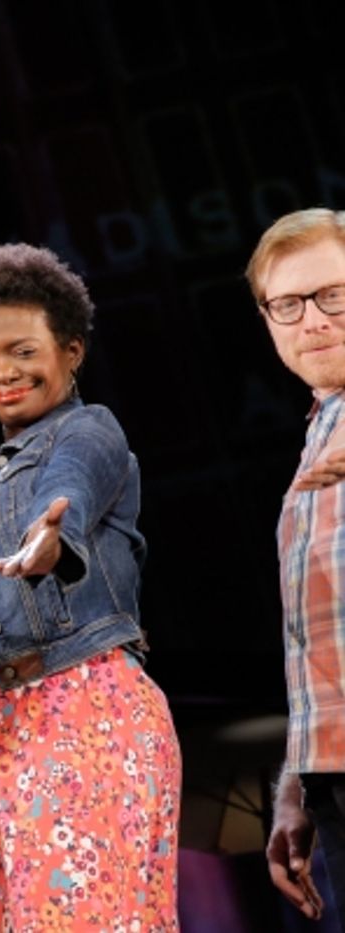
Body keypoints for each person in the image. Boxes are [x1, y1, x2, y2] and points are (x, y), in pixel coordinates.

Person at [0, 243, 181, 930]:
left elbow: (77, 480)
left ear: (71, 352)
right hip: (1, 747)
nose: (2, 372)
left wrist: (51, 536)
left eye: (23, 351)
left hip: (82, 723)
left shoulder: (89, 431)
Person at [253, 208, 345, 927]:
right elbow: (317, 642)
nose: (311, 319)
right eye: (287, 303)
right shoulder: (319, 430)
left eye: (333, 295)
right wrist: (297, 786)